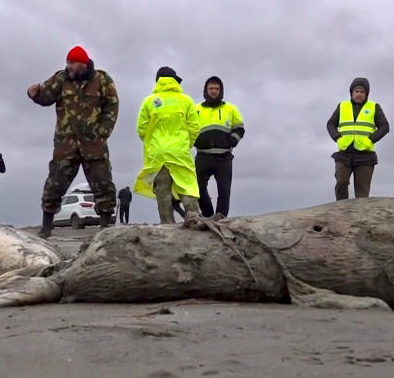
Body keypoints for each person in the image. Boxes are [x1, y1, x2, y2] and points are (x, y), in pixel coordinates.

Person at [28, 46, 119, 238]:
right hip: (66, 143)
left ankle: (105, 226)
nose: (68, 66)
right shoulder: (61, 79)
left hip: (93, 143)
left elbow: (112, 104)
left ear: (82, 63)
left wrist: (103, 131)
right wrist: (35, 94)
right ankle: (46, 228)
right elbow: (46, 97)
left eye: (72, 63)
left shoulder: (102, 80)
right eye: (67, 62)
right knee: (55, 183)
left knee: (103, 182)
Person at [134, 67, 201, 226]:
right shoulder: (186, 100)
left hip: (157, 153)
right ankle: (192, 216)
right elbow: (195, 127)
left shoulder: (149, 101)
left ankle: (167, 223)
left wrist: (152, 144)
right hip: (179, 151)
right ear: (174, 81)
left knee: (162, 190)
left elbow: (141, 129)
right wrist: (186, 144)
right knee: (187, 184)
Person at [326, 77, 389, 200]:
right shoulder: (342, 106)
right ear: (352, 93)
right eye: (356, 91)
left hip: (365, 155)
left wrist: (370, 139)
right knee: (341, 182)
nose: (359, 94)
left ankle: (360, 217)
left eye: (362, 92)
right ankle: (341, 210)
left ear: (366, 94)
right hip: (344, 153)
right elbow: (330, 124)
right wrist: (337, 137)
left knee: (362, 192)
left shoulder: (374, 107)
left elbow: (385, 127)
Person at [194, 76, 245, 219]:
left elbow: (240, 128)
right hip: (202, 156)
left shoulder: (230, 108)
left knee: (224, 191)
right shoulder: (195, 109)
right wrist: (195, 141)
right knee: (198, 189)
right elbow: (187, 129)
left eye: (217, 88)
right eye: (211, 88)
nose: (214, 91)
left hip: (224, 158)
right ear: (206, 90)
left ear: (221, 90)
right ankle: (209, 216)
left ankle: (221, 218)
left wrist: (232, 141)